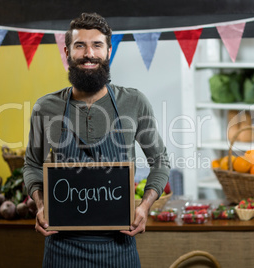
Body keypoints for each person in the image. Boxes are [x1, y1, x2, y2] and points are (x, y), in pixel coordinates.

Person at [24, 12, 170, 267]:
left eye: (97, 45)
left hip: (119, 249)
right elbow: (32, 164)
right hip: (61, 249)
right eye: (80, 45)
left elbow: (160, 160)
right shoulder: (45, 107)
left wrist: (145, 207)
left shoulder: (134, 102)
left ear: (108, 51)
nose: (88, 53)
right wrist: (40, 204)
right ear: (67, 52)